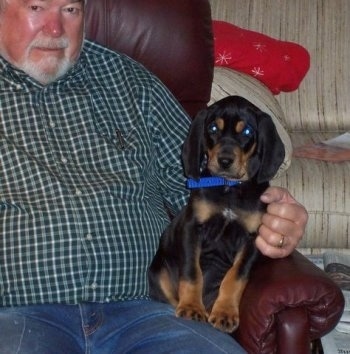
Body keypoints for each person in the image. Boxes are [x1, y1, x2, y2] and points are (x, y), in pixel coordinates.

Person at [0, 0, 308, 353]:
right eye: (37, 7)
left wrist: (273, 221)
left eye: (70, 9)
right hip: (20, 317)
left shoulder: (132, 84)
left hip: (151, 313)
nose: (55, 29)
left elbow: (198, 183)